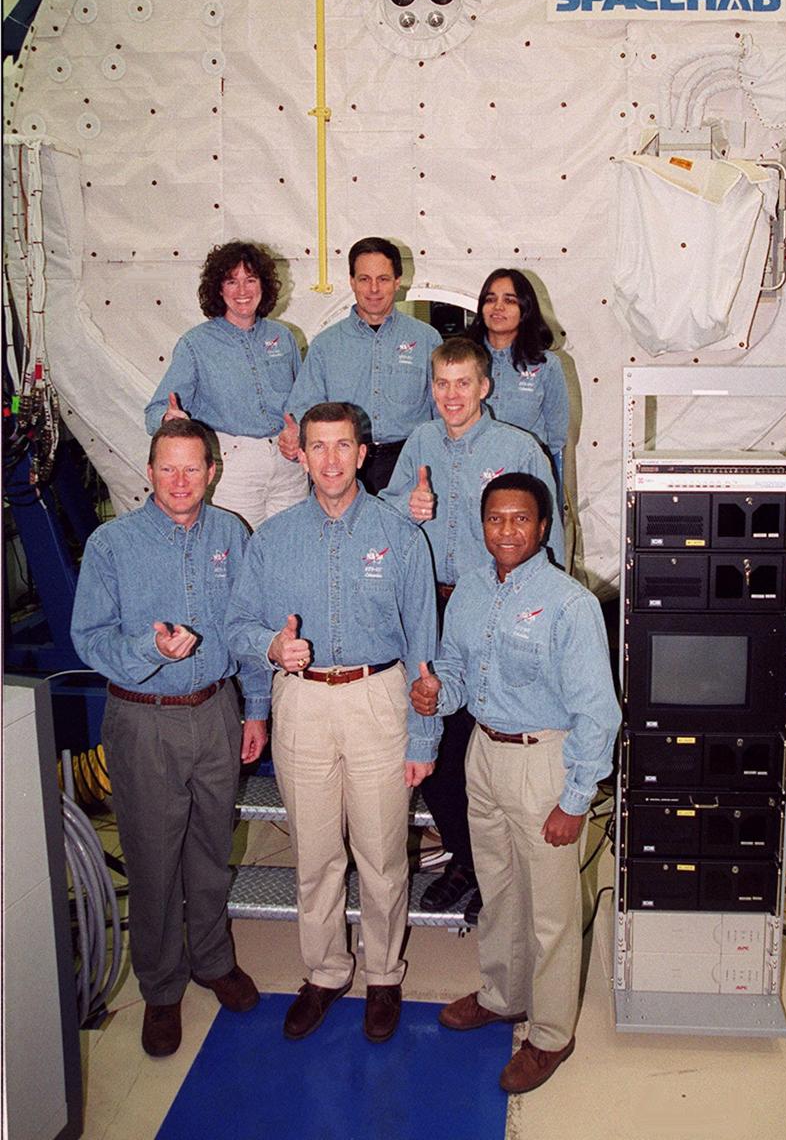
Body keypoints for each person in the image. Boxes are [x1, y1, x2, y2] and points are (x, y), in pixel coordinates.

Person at [225, 402, 439, 1044]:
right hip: (303, 703)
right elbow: (238, 625)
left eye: (342, 445)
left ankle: (383, 974)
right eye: (317, 446)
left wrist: (423, 735)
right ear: (301, 455)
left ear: (363, 453)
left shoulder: (402, 536)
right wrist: (271, 649)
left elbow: (424, 644)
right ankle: (324, 971)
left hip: (378, 698)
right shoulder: (272, 539)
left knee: (381, 854)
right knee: (315, 854)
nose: (330, 459)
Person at [410, 473, 619, 1094]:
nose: (506, 530)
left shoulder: (570, 604)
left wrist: (575, 800)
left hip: (543, 761)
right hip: (483, 753)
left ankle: (551, 1033)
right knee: (498, 890)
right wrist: (437, 692)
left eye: (520, 519)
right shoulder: (472, 590)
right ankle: (504, 995)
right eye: (495, 519)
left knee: (552, 912)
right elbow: (455, 668)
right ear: (483, 525)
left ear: (543, 527)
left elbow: (598, 713)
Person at [71, 420, 268, 1058]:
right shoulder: (112, 545)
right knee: (153, 859)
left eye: (192, 468)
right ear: (150, 470)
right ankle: (160, 987)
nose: (180, 481)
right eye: (168, 468)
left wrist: (256, 709)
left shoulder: (232, 535)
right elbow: (89, 637)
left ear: (212, 471)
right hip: (143, 719)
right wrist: (149, 650)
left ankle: (212, 959)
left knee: (211, 846)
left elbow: (248, 627)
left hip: (216, 711)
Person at [380, 337, 564, 920]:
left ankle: (495, 868)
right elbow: (384, 511)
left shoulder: (519, 447)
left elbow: (551, 534)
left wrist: (543, 615)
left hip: (493, 603)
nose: (451, 395)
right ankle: (465, 857)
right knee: (430, 730)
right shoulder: (420, 442)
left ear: (485, 387)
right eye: (441, 383)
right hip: (429, 606)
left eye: (463, 383)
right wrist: (406, 507)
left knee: (487, 737)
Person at [145, 240, 307, 530]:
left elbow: (305, 399)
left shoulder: (283, 338)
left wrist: (299, 429)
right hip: (234, 470)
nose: (242, 290)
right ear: (218, 289)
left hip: (289, 466)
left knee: (291, 544)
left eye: (250, 280)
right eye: (231, 281)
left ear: (263, 285)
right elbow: (154, 411)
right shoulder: (195, 344)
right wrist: (169, 419)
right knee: (237, 547)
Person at [282, 237, 441, 493]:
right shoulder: (325, 344)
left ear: (398, 281)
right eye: (364, 279)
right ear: (352, 281)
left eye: (383, 279)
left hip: (409, 465)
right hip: (341, 465)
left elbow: (443, 409)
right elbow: (303, 408)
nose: (374, 289)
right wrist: (294, 435)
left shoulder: (426, 340)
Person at [466, 268, 569, 462]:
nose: (498, 307)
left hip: (526, 468)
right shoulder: (463, 360)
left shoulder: (546, 365)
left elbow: (556, 437)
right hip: (471, 465)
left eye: (509, 300)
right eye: (490, 299)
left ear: (525, 309)